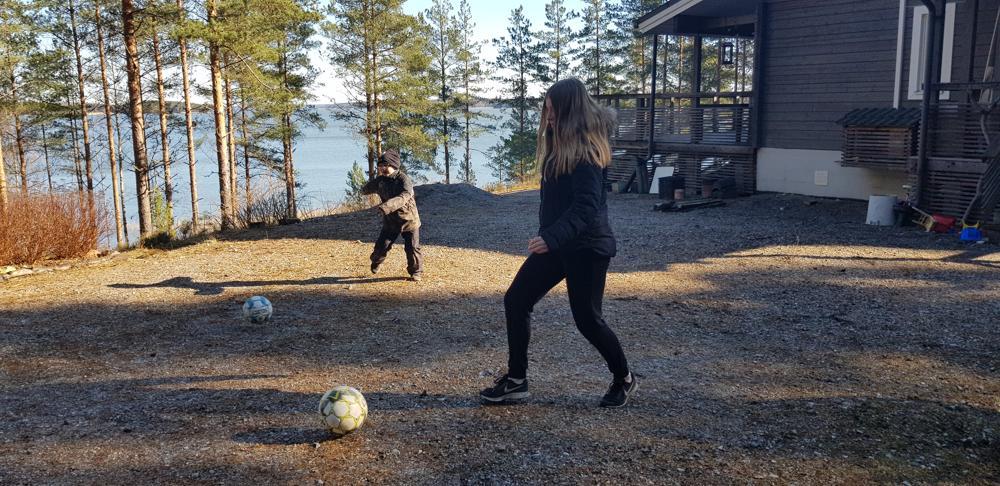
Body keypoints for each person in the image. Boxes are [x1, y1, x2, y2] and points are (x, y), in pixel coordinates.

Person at [480, 78, 636, 408]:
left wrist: (550, 237)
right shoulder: (560, 142)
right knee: (516, 300)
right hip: (558, 245)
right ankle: (517, 381)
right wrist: (551, 238)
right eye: (546, 109)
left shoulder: (588, 153)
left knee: (587, 319)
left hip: (587, 248)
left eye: (553, 110)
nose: (547, 116)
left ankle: (624, 378)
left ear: (569, 110)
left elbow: (586, 207)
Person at [362, 149, 423, 282]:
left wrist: (387, 206)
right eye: (380, 166)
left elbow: (405, 196)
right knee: (381, 247)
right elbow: (365, 189)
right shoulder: (380, 181)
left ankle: (416, 272)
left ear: (394, 165)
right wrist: (365, 189)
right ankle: (376, 261)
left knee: (412, 248)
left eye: (386, 165)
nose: (383, 168)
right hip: (390, 222)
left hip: (409, 220)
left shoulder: (403, 179)